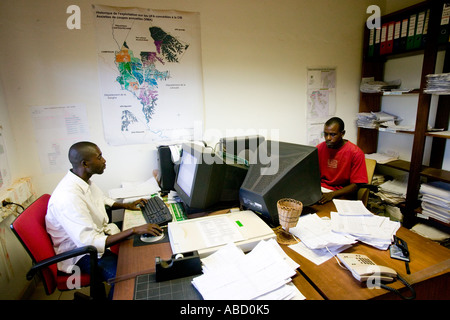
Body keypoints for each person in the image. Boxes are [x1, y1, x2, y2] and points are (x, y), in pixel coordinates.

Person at [46, 141, 162, 296]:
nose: (104, 160)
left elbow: (102, 200)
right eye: (99, 157)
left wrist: (127, 205)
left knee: (139, 254)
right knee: (127, 278)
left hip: (94, 240)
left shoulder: (82, 180)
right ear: (85, 163)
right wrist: (133, 230)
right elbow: (90, 243)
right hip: (81, 254)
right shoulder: (68, 197)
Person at [316, 117, 368, 204]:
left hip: (342, 194)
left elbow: (357, 185)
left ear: (342, 133)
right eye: (325, 134)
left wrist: (332, 194)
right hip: (322, 191)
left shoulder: (356, 153)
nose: (328, 138)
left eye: (333, 134)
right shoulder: (319, 148)